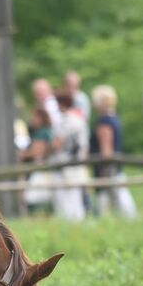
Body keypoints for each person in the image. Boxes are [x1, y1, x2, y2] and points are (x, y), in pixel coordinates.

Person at [89, 84, 136, 217]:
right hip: (114, 168)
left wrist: (103, 173)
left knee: (111, 200)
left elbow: (106, 150)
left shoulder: (104, 122)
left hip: (107, 169)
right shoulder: (114, 118)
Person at [51, 90, 89, 221]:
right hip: (74, 163)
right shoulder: (77, 118)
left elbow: (58, 143)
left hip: (70, 163)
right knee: (73, 197)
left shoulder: (69, 120)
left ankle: (73, 222)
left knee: (69, 199)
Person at [18, 107, 54, 214]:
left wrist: (22, 154)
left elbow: (37, 151)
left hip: (37, 169)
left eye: (35, 117)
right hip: (35, 169)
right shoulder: (39, 132)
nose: (32, 119)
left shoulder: (43, 133)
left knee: (33, 197)